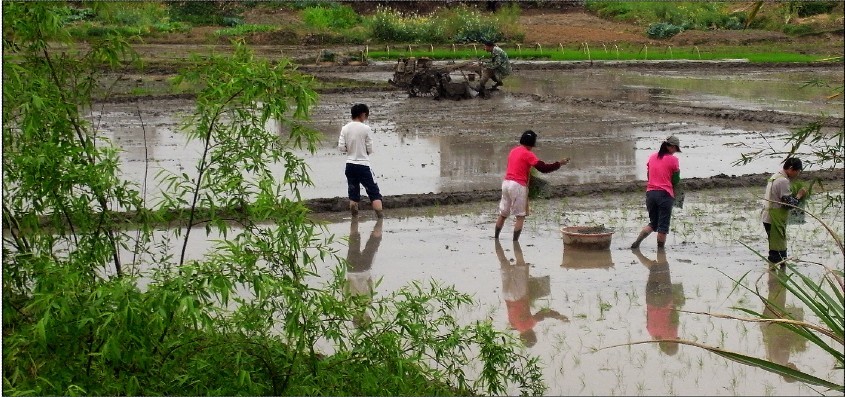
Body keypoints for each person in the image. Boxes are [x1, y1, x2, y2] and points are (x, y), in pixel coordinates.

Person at [495, 130, 569, 241]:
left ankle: (496, 238)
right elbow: (543, 168)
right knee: (520, 216)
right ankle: (515, 243)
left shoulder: (513, 151)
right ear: (533, 143)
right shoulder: (528, 154)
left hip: (506, 183)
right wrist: (559, 163)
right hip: (517, 186)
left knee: (503, 214)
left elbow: (517, 167)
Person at [496, 240, 568, 347]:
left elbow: (542, 313)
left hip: (518, 295)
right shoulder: (514, 325)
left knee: (520, 263)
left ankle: (515, 239)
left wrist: (558, 316)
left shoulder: (529, 325)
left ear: (532, 334)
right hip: (506, 295)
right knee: (503, 262)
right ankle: (496, 238)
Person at [630, 135, 682, 249]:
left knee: (653, 223)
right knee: (663, 227)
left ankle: (636, 244)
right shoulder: (673, 160)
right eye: (675, 149)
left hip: (650, 194)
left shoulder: (652, 157)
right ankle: (661, 252)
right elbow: (676, 179)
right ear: (671, 147)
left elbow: (649, 176)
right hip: (665, 194)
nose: (675, 152)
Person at [633, 248, 681, 356]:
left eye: (674, 344)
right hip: (650, 299)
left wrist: (676, 300)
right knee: (653, 268)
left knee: (663, 266)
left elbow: (675, 316)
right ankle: (637, 253)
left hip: (665, 299)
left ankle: (660, 248)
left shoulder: (672, 335)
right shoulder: (652, 333)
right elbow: (649, 317)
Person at [338, 103, 384, 218]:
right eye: (366, 116)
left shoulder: (345, 128)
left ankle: (354, 221)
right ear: (363, 114)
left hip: (350, 165)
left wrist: (351, 150)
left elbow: (341, 148)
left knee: (353, 195)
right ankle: (380, 219)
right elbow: (370, 149)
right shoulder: (366, 129)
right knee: (374, 193)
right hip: (363, 165)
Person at [761, 157, 806, 266]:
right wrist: (799, 195)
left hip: (768, 216)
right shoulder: (783, 181)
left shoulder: (775, 176)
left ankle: (773, 279)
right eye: (797, 171)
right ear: (791, 168)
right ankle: (778, 275)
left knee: (774, 248)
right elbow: (790, 204)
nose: (797, 174)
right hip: (774, 219)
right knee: (779, 251)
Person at [345, 217, 383, 327]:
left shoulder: (367, 302)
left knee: (373, 244)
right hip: (351, 271)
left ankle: (380, 221)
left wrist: (370, 276)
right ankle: (355, 218)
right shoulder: (348, 304)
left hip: (364, 269)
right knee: (353, 241)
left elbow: (370, 283)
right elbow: (343, 285)